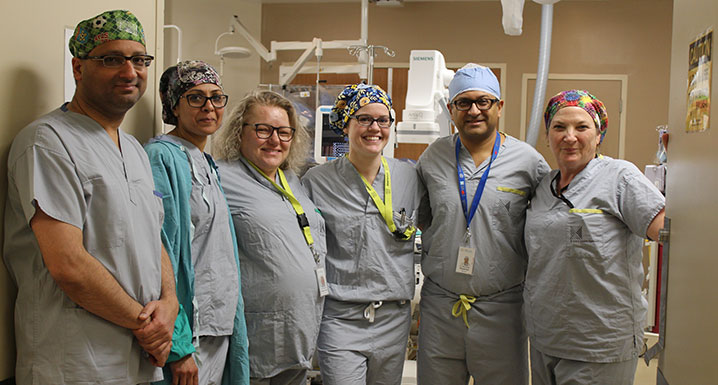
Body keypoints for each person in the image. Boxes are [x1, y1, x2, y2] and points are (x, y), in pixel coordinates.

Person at [3, 10, 178, 384]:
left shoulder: (133, 149)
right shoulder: (47, 142)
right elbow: (68, 264)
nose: (130, 72)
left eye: (139, 60)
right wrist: (147, 326)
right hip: (75, 361)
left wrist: (170, 302)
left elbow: (153, 237)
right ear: (78, 69)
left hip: (140, 361)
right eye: (111, 59)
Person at [415, 64, 549, 385]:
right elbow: (422, 217)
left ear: (499, 107)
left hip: (503, 309)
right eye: (463, 103)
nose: (474, 110)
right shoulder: (433, 158)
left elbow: (549, 227)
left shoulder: (528, 162)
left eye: (484, 101)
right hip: (441, 308)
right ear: (451, 110)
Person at [523, 90, 665, 385]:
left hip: (599, 342)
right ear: (548, 135)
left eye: (582, 127)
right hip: (545, 339)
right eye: (559, 127)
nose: (569, 136)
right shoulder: (542, 186)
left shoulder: (620, 177)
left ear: (599, 135)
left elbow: (670, 233)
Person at [302, 84, 423, 385]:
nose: (375, 128)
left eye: (383, 120)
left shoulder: (409, 176)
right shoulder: (317, 182)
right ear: (346, 125)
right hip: (340, 317)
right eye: (364, 119)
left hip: (394, 318)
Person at [144, 60, 250, 385]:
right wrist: (179, 345)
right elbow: (158, 253)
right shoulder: (161, 156)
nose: (209, 106)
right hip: (190, 333)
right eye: (195, 97)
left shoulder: (205, 160)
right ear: (173, 105)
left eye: (216, 97)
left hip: (218, 327)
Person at [213, 90, 327, 385]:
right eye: (263, 130)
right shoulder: (221, 178)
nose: (275, 140)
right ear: (240, 132)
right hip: (258, 337)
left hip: (299, 333)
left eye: (284, 132)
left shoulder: (291, 180)